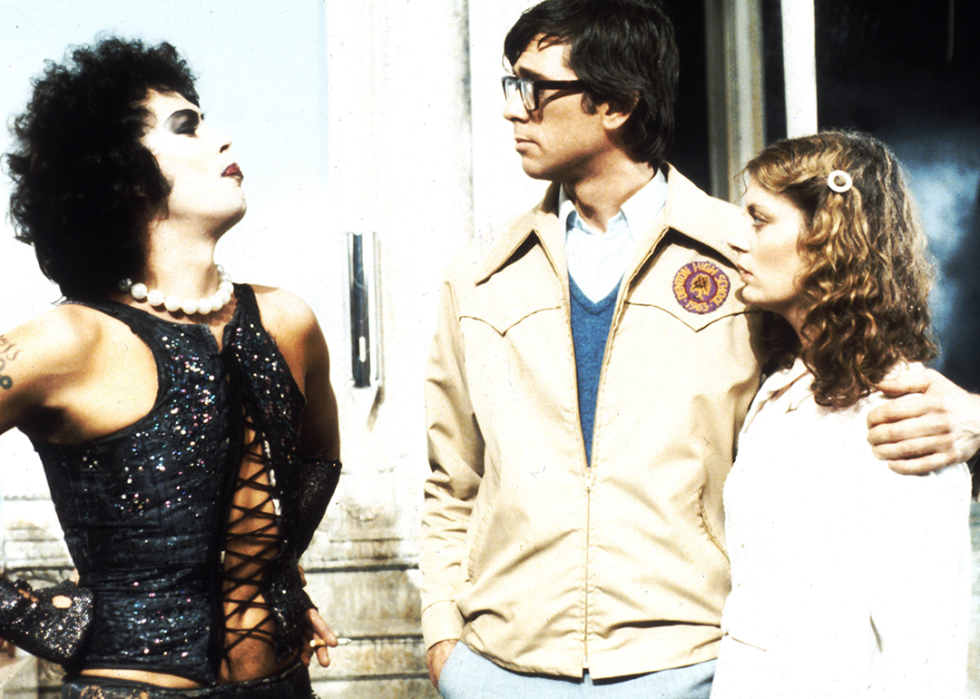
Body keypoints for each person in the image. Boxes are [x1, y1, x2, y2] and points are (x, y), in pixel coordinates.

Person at [419, 1, 980, 697]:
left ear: (616, 104)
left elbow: (853, 371)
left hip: (691, 672)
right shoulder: (477, 277)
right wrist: (444, 640)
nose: (513, 109)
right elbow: (451, 481)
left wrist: (974, 415)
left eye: (534, 87)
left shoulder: (748, 259)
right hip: (499, 671)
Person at [0, 38, 341, 698]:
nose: (222, 138)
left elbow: (316, 461)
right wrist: (31, 615)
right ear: (123, 174)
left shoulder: (288, 321)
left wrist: (274, 570)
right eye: (187, 126)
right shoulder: (71, 339)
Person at [711, 131, 971, 698]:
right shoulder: (780, 390)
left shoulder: (898, 415)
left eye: (759, 219)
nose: (735, 240)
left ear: (825, 239)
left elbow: (924, 656)